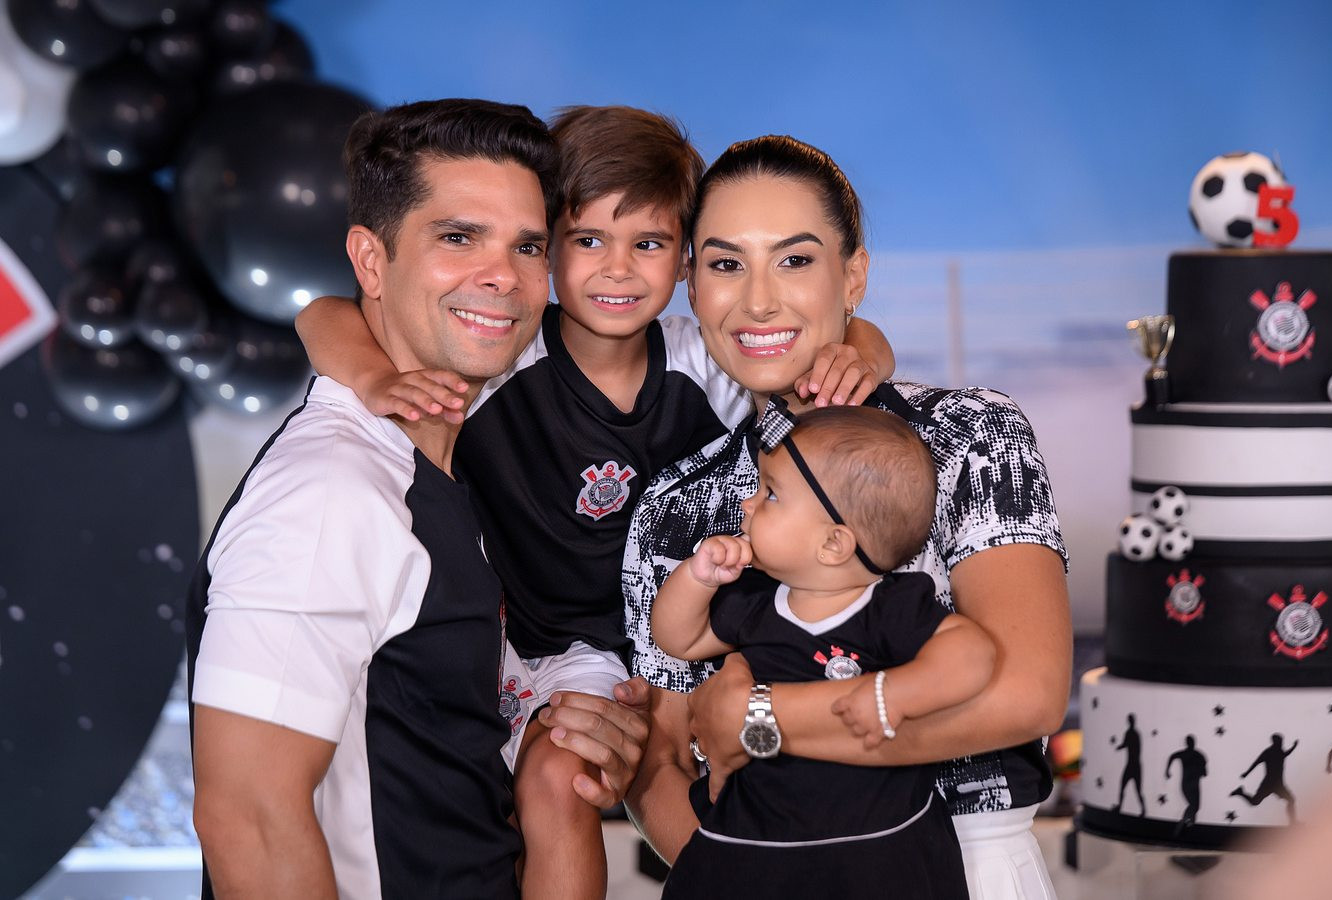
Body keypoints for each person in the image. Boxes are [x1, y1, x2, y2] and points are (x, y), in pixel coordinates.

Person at [294, 106, 896, 899]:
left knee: (617, 782)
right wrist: (377, 380)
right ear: (546, 246)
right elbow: (322, 315)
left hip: (653, 649)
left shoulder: (704, 362)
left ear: (685, 263)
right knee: (522, 801)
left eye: (647, 244)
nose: (618, 269)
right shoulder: (502, 356)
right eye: (586, 241)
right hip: (519, 642)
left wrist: (861, 355)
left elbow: (848, 337)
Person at [187, 99, 651, 900]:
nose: (502, 275)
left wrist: (561, 722)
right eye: (458, 237)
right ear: (370, 262)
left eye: (527, 246)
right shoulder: (331, 488)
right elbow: (248, 817)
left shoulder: (434, 474)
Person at [622, 134, 1072, 900]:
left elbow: (1026, 693)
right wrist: (736, 868)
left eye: (795, 260)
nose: (758, 300)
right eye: (726, 265)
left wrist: (763, 719)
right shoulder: (676, 505)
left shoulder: (968, 436)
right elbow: (659, 757)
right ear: (691, 286)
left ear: (853, 275)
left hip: (969, 864)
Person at [651, 403, 994, 897]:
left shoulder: (888, 608)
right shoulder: (757, 601)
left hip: (874, 848)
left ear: (833, 544)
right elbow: (678, 639)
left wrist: (894, 693)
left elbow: (972, 652)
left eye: (770, 493)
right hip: (757, 839)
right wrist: (698, 577)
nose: (747, 502)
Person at [1231, 733, 1299, 824]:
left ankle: (1293, 822)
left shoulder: (1280, 751)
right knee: (1255, 802)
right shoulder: (1268, 752)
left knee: (1291, 800)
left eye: (1282, 741)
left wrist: (1294, 746)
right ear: (1275, 742)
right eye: (1280, 741)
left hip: (1278, 785)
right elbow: (1256, 762)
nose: (1282, 743)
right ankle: (1241, 792)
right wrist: (1247, 773)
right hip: (1268, 784)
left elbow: (1287, 753)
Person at [1165, 734, 1206, 831]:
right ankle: (1184, 822)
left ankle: (1189, 824)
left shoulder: (1198, 755)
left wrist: (1167, 770)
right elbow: (1172, 756)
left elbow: (1204, 771)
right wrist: (1167, 770)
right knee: (1194, 806)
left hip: (1194, 784)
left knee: (1195, 806)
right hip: (1188, 784)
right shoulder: (1188, 754)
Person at [1111, 713, 1145, 816]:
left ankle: (1143, 809)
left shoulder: (1132, 733)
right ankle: (1120, 807)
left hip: (1133, 765)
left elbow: (1126, 744)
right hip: (1132, 764)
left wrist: (1119, 747)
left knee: (1136, 790)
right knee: (1124, 786)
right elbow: (1126, 744)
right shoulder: (1132, 733)